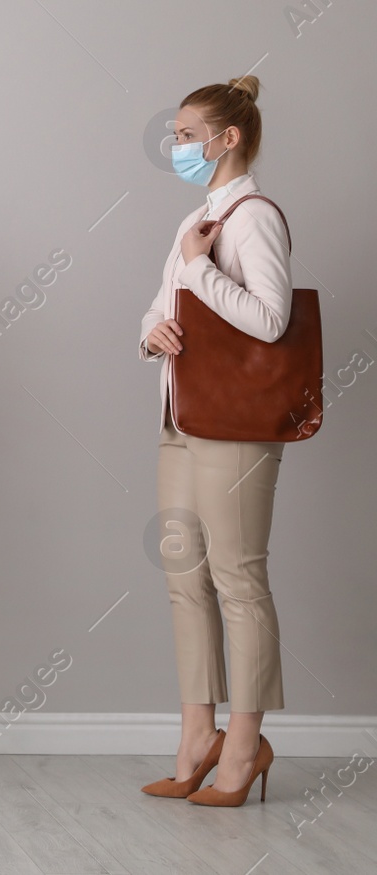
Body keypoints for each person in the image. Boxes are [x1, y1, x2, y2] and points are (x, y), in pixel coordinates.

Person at [138, 75, 290, 806]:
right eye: (175, 134)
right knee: (184, 575)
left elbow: (271, 321)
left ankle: (244, 742)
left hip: (234, 426)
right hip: (181, 415)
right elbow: (161, 308)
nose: (177, 146)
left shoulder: (252, 216)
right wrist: (152, 330)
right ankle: (197, 734)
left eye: (187, 134)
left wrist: (199, 269)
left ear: (228, 139)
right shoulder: (197, 218)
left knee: (237, 577)